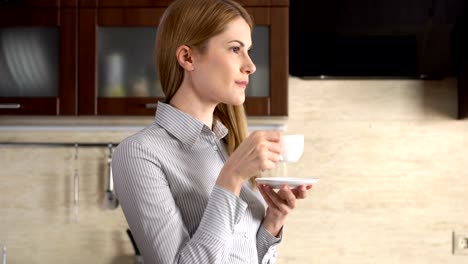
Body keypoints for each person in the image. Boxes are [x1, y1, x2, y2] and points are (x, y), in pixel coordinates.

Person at [112, 0, 313, 263]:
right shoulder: (139, 153)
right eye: (234, 49)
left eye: (248, 51)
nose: (250, 66)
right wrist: (231, 177)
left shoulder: (226, 146)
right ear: (187, 57)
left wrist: (273, 222)